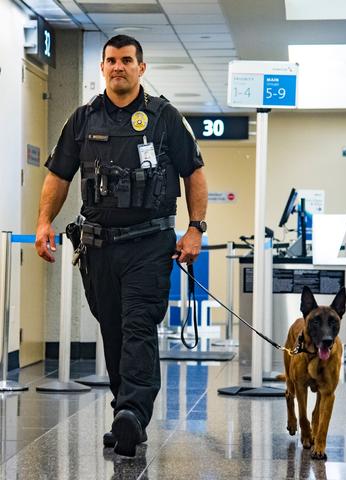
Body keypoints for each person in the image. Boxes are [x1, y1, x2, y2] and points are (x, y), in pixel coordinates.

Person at [35, 35, 208, 457]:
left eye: (127, 60)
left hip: (149, 243)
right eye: (111, 60)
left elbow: (194, 172)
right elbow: (59, 175)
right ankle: (125, 412)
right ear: (102, 68)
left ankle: (131, 412)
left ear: (141, 68)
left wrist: (196, 228)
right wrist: (43, 222)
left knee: (137, 327)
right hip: (98, 248)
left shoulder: (164, 117)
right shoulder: (82, 119)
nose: (119, 67)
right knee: (112, 329)